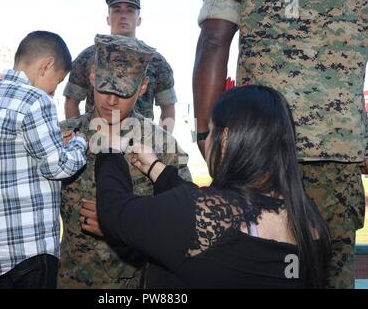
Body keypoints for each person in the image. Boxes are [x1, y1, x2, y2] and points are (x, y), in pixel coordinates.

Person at [193, 0, 368, 288]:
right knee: (330, 277)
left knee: (256, 273)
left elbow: (213, 40)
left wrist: (205, 134)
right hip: (336, 154)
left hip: (258, 151)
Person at [96, 85, 331, 289]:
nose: (206, 140)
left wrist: (110, 149)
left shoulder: (203, 214)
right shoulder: (308, 216)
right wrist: (155, 168)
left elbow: (115, 211)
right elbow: (202, 209)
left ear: (226, 138)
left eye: (209, 131)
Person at [57, 34, 191, 289]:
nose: (111, 101)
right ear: (93, 76)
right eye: (106, 87)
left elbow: (187, 221)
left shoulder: (162, 147)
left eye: (123, 91)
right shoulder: (61, 137)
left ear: (142, 87)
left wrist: (124, 223)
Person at [0, 31, 88, 289]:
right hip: (28, 247)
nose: (54, 91)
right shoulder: (36, 100)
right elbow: (59, 166)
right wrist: (79, 142)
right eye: (58, 81)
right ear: (46, 65)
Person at [64, 0, 177, 132]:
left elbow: (168, 107)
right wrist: (77, 139)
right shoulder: (88, 57)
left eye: (130, 11)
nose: (123, 15)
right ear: (108, 18)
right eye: (116, 10)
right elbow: (72, 101)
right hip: (95, 142)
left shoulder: (156, 62)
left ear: (139, 19)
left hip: (139, 146)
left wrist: (159, 146)